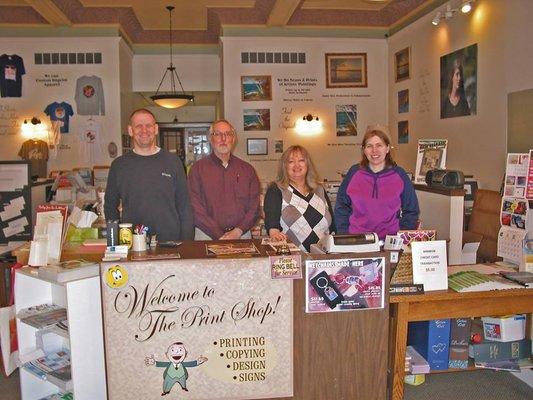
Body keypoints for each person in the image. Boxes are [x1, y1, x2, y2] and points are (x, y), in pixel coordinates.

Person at [104, 108, 194, 241]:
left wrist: (187, 243)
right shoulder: (119, 165)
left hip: (171, 241)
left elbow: (184, 205)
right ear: (130, 130)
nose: (144, 130)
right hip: (133, 242)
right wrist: (116, 240)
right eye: (138, 126)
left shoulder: (173, 161)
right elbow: (110, 206)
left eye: (149, 126)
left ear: (156, 129)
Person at [335, 125, 419, 239]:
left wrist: (400, 237)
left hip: (389, 241)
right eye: (369, 146)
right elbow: (341, 206)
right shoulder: (354, 173)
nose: (374, 150)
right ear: (364, 150)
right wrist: (344, 235)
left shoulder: (399, 175)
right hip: (356, 240)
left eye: (379, 145)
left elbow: (411, 210)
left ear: (387, 148)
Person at [188, 119, 260, 240]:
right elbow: (194, 206)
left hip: (241, 235)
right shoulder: (197, 169)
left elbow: (255, 205)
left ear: (233, 139)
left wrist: (238, 231)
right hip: (207, 235)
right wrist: (218, 233)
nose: (223, 138)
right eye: (218, 134)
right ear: (211, 139)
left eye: (227, 134)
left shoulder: (247, 170)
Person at [263, 145, 335, 252]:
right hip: (293, 258)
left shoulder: (319, 189)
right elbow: (273, 227)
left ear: (307, 164)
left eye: (301, 160)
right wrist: (274, 234)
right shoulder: (276, 190)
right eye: (291, 161)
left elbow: (333, 227)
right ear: (285, 166)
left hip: (323, 256)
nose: (296, 165)